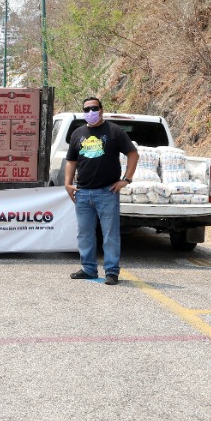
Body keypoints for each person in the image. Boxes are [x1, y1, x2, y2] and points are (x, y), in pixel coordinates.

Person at [64, 97, 138, 286]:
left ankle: (112, 271)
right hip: (83, 192)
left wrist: (126, 180)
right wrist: (67, 183)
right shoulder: (77, 133)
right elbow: (71, 161)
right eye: (87, 109)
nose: (90, 112)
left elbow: (133, 154)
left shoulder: (114, 131)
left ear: (102, 110)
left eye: (94, 108)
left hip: (107, 192)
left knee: (110, 234)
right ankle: (88, 269)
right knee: (84, 233)